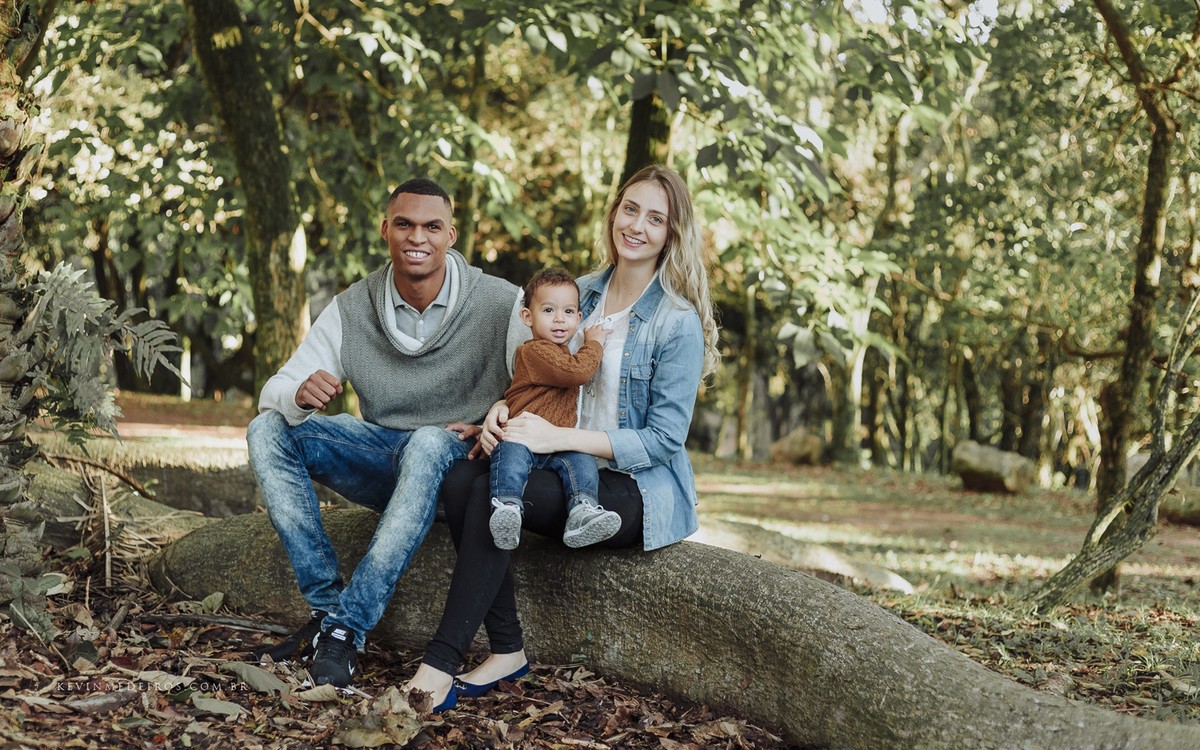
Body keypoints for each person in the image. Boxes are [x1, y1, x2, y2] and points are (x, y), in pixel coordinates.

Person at [403, 164, 720, 713]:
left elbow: (665, 440)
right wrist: (500, 413)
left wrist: (554, 438)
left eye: (656, 218)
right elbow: (539, 373)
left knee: (487, 493)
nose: (637, 226)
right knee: (460, 477)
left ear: (672, 233)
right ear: (614, 213)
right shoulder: (582, 294)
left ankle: (438, 664)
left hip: (631, 486)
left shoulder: (676, 321)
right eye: (630, 209)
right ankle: (507, 650)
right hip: (557, 456)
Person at [246, 177, 526, 689]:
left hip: (459, 465)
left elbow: (547, 380)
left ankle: (348, 629)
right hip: (384, 458)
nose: (417, 237)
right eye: (405, 224)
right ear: (385, 230)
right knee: (267, 429)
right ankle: (327, 612)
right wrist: (298, 392)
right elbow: (274, 392)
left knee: (426, 442)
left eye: (431, 226)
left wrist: (500, 409)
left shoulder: (502, 303)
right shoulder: (354, 307)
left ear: (452, 235)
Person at [488, 267, 622, 551]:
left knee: (582, 461)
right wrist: (594, 343)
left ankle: (583, 510)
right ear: (528, 317)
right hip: (524, 437)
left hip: (555, 444)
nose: (560, 319)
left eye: (569, 312)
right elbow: (577, 373)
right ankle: (508, 507)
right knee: (510, 454)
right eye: (548, 310)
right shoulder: (534, 351)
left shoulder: (561, 352)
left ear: (579, 317)